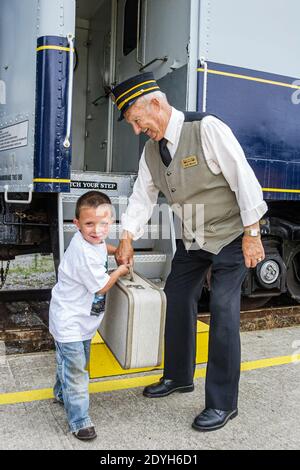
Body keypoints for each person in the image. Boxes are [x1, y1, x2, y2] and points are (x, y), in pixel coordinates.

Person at [110, 72, 268, 431]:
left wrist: (252, 233)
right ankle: (179, 376)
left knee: (224, 311)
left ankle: (223, 404)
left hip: (230, 234)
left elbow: (244, 180)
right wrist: (127, 236)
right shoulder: (152, 151)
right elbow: (142, 195)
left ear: (155, 103)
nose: (136, 130)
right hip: (192, 239)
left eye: (137, 121)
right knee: (177, 298)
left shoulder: (207, 128)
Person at [49, 191, 129, 441]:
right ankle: (79, 421)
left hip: (82, 321)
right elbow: (101, 287)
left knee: (73, 363)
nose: (97, 230)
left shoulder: (91, 242)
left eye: (103, 224)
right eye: (89, 224)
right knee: (77, 371)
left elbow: (101, 246)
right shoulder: (82, 252)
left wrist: (115, 249)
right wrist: (120, 270)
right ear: (77, 224)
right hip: (69, 321)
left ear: (111, 223)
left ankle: (62, 394)